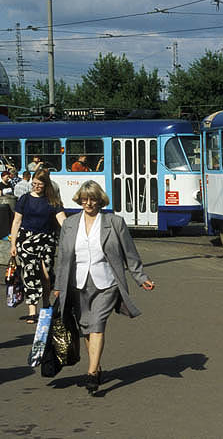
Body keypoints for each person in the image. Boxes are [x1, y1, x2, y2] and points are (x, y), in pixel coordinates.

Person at [54, 180, 155, 395]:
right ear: (79, 200)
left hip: (106, 282)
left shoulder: (114, 222)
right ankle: (97, 366)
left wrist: (140, 277)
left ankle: (91, 374)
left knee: (97, 324)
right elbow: (63, 257)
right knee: (86, 327)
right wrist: (58, 285)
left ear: (100, 200)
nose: (88, 203)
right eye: (84, 199)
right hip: (77, 283)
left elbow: (130, 253)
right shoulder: (70, 224)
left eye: (92, 199)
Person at [9, 169, 66, 323]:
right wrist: (13, 244)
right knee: (29, 273)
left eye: (39, 184)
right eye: (34, 183)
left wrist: (72, 234)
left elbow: (63, 221)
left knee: (46, 274)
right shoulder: (24, 199)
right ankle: (32, 310)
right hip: (26, 240)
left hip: (47, 240)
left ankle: (46, 304)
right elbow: (16, 222)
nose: (36, 187)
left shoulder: (53, 201)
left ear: (46, 184)